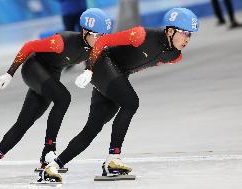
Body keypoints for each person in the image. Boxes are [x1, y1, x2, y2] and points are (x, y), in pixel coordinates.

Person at [41, 7, 199, 182]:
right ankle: (114, 157)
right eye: (184, 33)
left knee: (92, 128)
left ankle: (52, 166)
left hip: (116, 75)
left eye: (190, 34)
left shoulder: (175, 56)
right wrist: (89, 70)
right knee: (131, 102)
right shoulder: (140, 34)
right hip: (101, 65)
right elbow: (101, 42)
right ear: (170, 31)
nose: (187, 39)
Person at [0, 8, 112, 181]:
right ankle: (49, 150)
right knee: (63, 98)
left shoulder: (95, 46)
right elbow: (29, 46)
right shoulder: (61, 41)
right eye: (98, 36)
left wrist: (89, 72)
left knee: (24, 122)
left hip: (51, 75)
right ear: (85, 32)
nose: (101, 40)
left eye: (104, 36)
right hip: (34, 69)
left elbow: (99, 60)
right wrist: (10, 73)